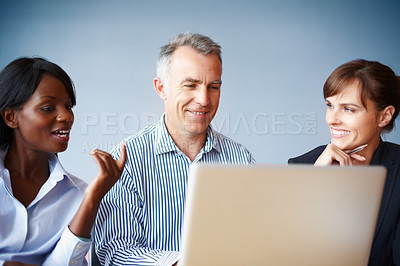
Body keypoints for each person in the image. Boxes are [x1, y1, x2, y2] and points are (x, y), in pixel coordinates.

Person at [94, 33, 255, 265]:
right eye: (190, 85)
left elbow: (252, 240)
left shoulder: (240, 159)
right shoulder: (126, 160)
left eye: (213, 87)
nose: (204, 100)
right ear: (162, 88)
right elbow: (117, 251)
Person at [0, 57, 126, 266]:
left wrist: (92, 197)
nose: (66, 116)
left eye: (68, 106)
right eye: (48, 108)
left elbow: (66, 264)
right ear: (11, 117)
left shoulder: (77, 194)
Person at [288, 59, 400, 265]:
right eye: (330, 106)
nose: (332, 119)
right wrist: (313, 184)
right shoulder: (302, 167)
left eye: (349, 109)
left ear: (384, 116)